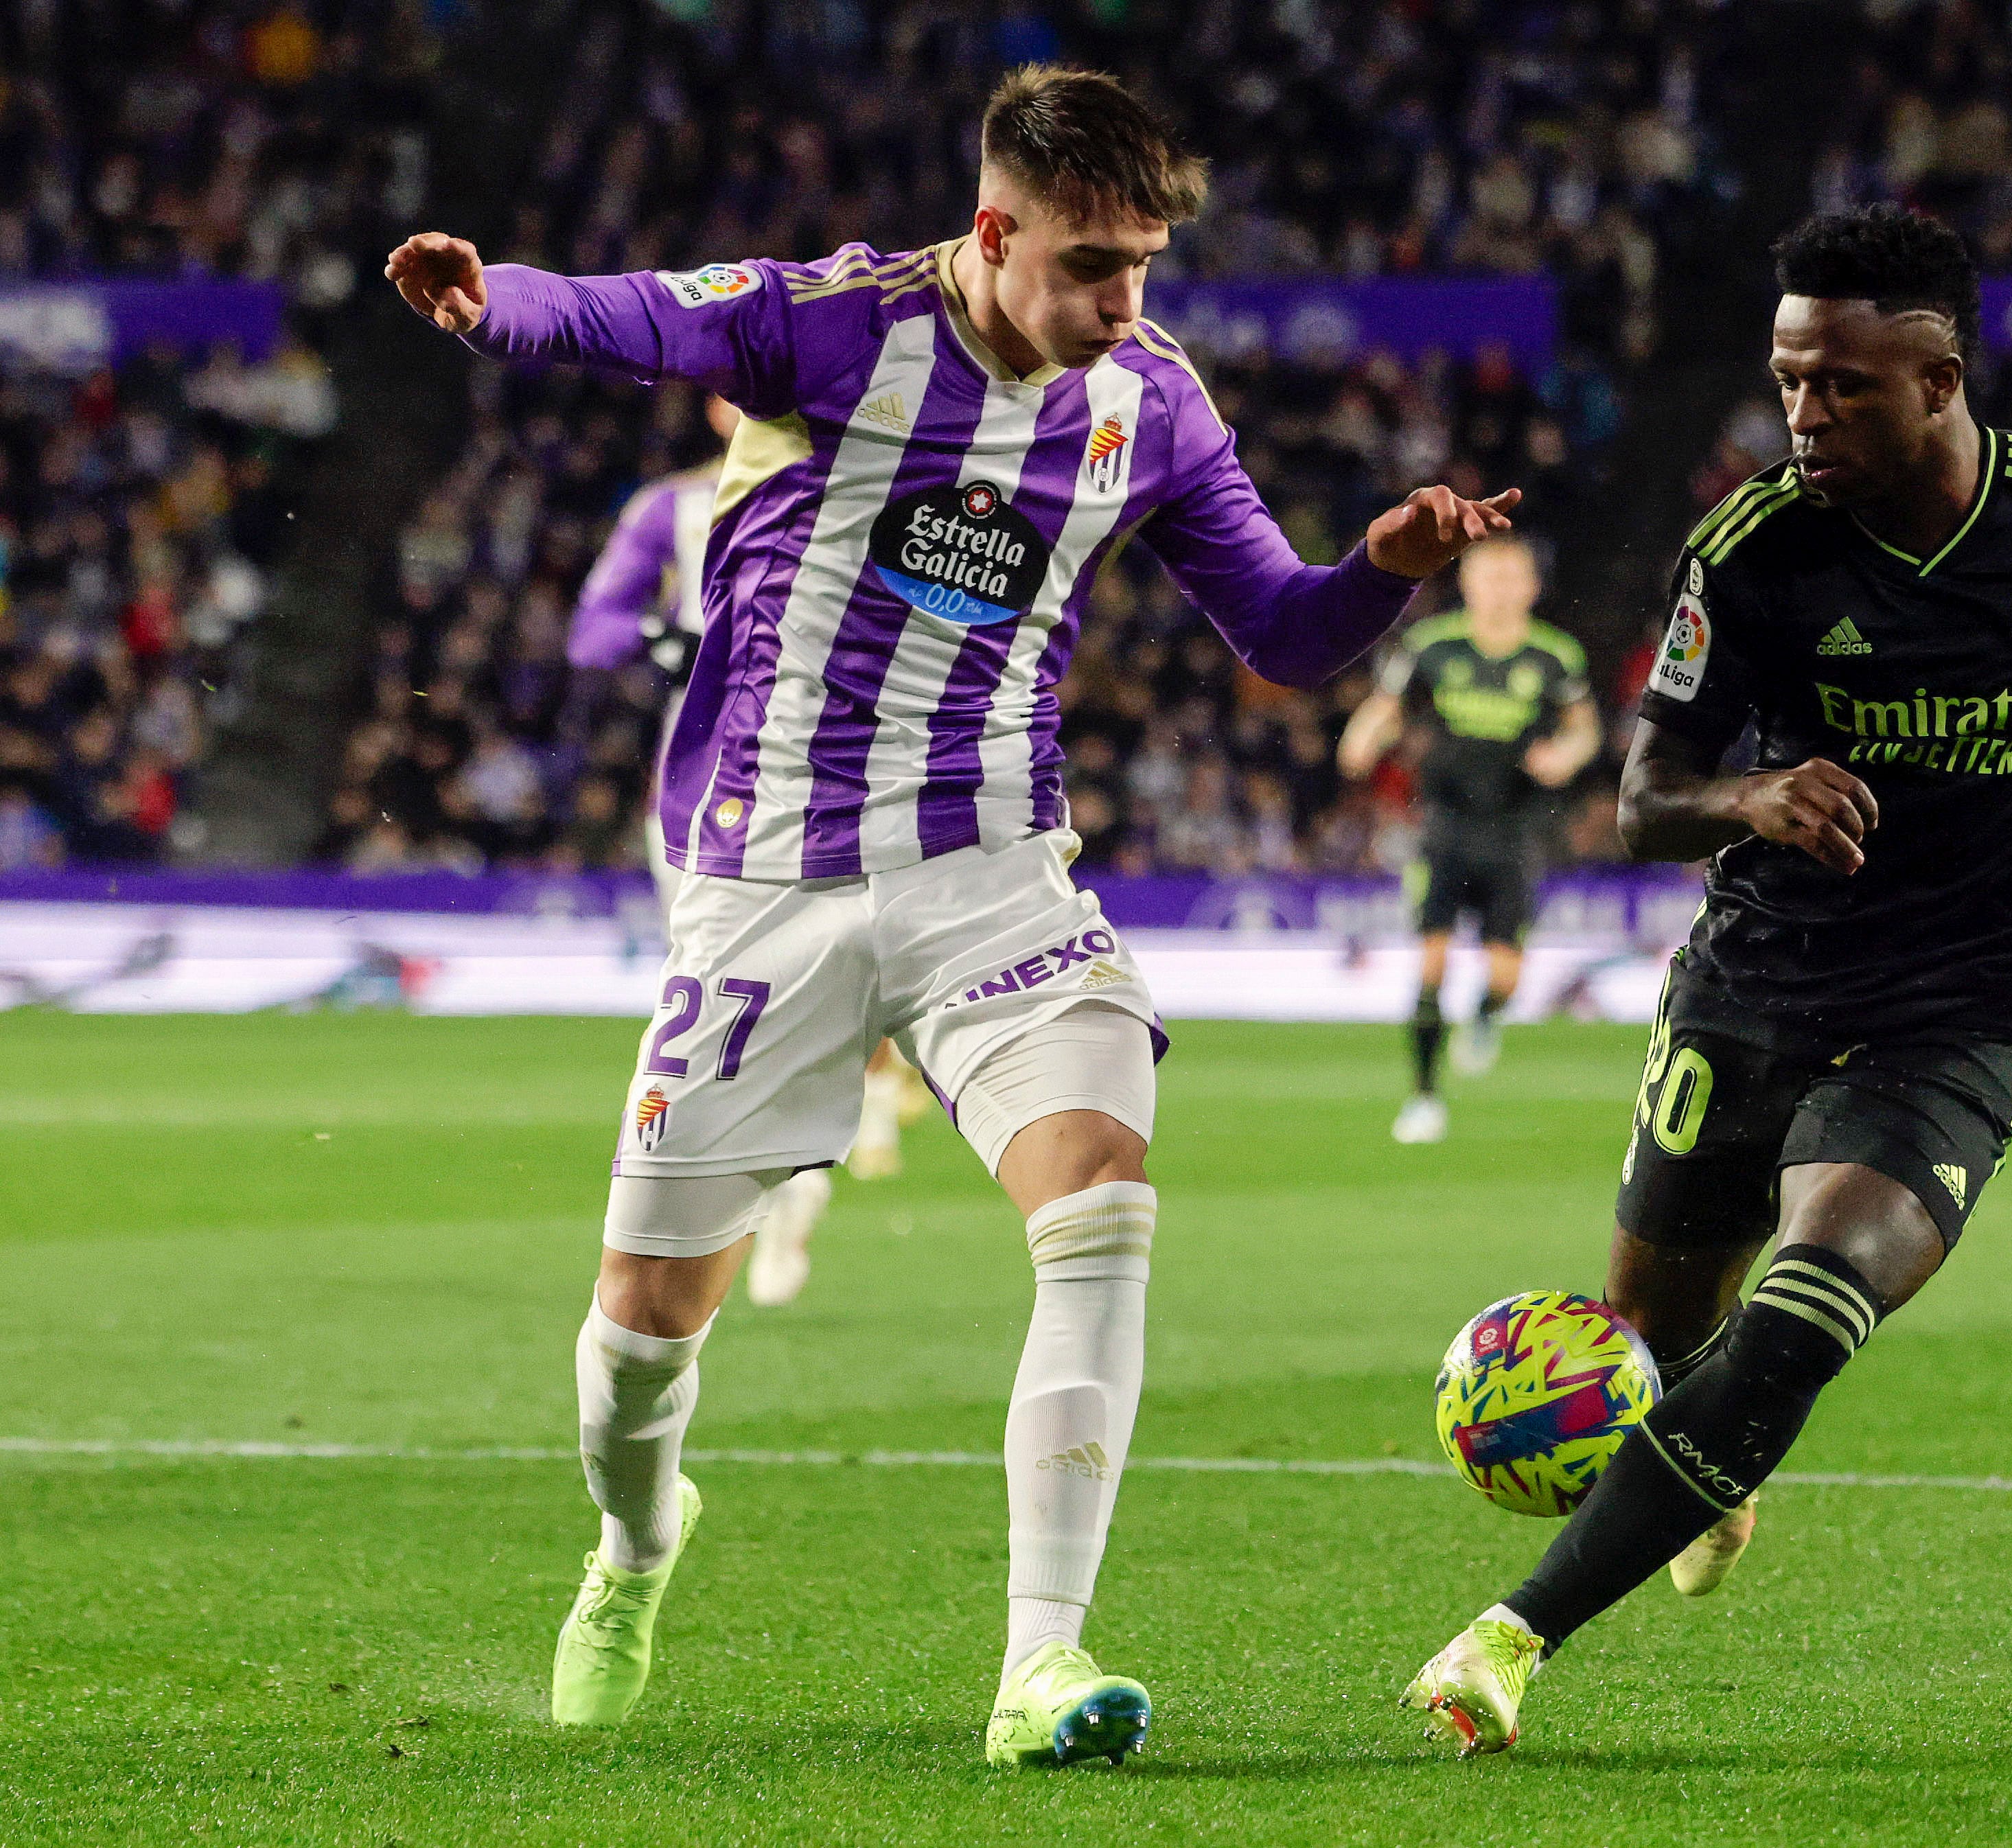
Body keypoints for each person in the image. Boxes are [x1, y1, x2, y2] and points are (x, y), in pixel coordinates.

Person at [388, 62, 1516, 1764]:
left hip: (994, 870)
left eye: (1142, 263)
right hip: (766, 880)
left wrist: (1384, 572)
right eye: (1089, 265)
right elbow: (634, 316)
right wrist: (498, 309)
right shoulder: (834, 324)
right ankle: (637, 1543)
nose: (1123, 300)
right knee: (640, 1328)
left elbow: (1281, 635)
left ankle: (1039, 1667)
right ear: (995, 234)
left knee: (1104, 1201)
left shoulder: (1153, 403)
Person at [1399, 204, 2012, 1754]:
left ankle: (1508, 1635)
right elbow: (1644, 802)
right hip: (1753, 987)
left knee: (1807, 1306)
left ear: (1938, 375)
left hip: (1951, 1010)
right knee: (1658, 1340)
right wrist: (1754, 797)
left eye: (1841, 383)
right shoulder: (1755, 546)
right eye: (1788, 380)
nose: (1805, 413)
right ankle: (1716, 1462)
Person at [568, 397, 929, 1308]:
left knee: (821, 997)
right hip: (707, 800)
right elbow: (592, 631)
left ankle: (803, 1166)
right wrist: (667, 640)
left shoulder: (883, 496)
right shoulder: (673, 510)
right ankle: (771, 1192)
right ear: (714, 403)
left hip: (850, 787)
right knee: (717, 1014)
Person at [1338, 535, 1599, 1144]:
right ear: (1468, 583)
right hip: (1445, 826)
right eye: (1489, 577)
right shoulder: (1432, 646)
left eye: (1513, 578)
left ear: (1532, 587)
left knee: (1506, 976)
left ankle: (1486, 1014)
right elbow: (1388, 706)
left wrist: (1567, 755)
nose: (1501, 590)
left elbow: (1583, 728)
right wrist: (1362, 739)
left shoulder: (1555, 656)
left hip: (1515, 831)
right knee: (1431, 961)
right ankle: (1424, 1098)